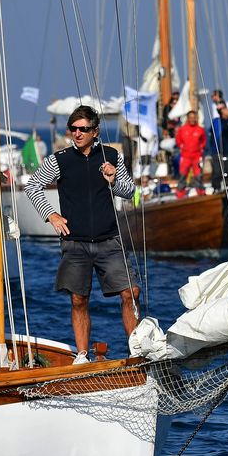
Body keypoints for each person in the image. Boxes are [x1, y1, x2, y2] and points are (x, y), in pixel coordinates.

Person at [25, 105, 140, 364]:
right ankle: (82, 355)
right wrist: (50, 215)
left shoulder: (110, 155)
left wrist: (113, 180)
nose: (77, 134)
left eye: (83, 129)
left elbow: (129, 191)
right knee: (78, 299)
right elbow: (32, 185)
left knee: (130, 292)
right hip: (75, 242)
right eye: (73, 129)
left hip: (108, 239)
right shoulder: (60, 159)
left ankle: (136, 351)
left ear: (95, 131)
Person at [175, 110, 207, 197]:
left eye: (194, 117)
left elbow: (204, 141)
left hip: (197, 156)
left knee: (198, 175)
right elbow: (178, 140)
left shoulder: (200, 130)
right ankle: (180, 192)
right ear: (188, 118)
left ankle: (200, 191)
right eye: (191, 118)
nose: (192, 119)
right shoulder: (182, 129)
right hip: (186, 156)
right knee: (182, 175)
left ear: (196, 118)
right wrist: (181, 146)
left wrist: (201, 148)